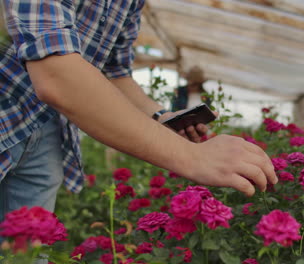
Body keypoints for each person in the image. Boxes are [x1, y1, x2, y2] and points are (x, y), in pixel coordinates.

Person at [0, 0, 277, 231]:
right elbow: (55, 74)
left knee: (26, 251)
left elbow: (114, 73)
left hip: (48, 125)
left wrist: (159, 116)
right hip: (7, 112)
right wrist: (194, 157)